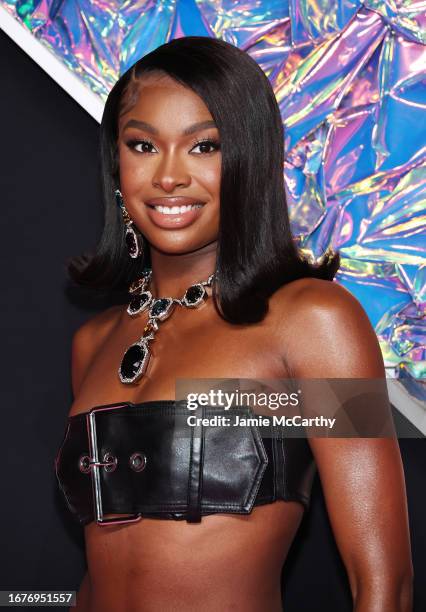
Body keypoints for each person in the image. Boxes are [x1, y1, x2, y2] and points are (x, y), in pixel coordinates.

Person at [55, 36, 413, 612]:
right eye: (143, 144)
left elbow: (383, 584)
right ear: (116, 163)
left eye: (204, 146)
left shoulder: (315, 321)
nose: (168, 176)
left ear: (249, 158)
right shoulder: (93, 343)